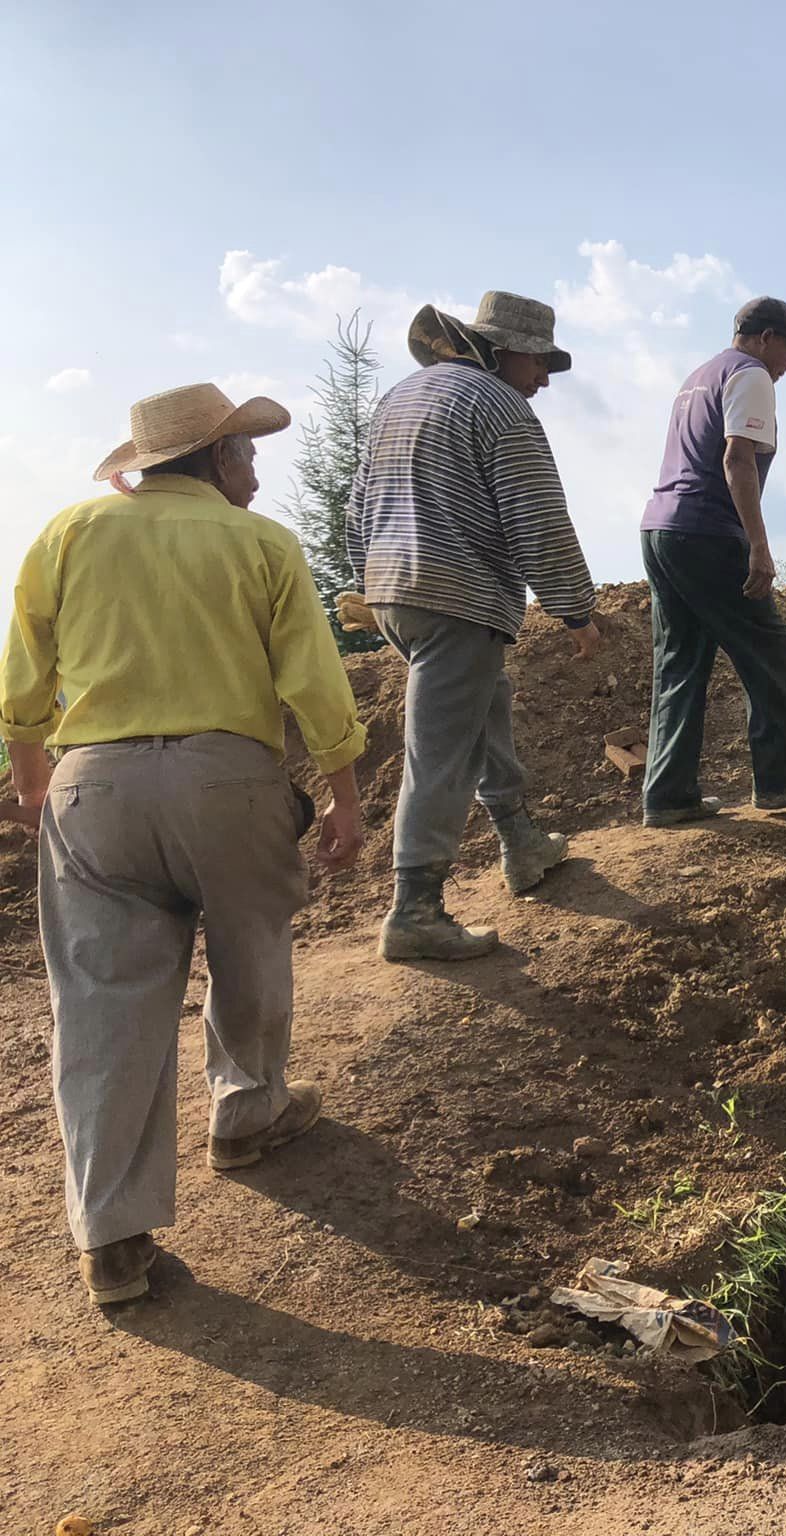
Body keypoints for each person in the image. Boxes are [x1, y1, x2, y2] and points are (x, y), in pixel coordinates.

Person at [1, 383, 368, 1306]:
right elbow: (315, 687)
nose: (255, 469)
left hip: (96, 786)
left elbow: (21, 678)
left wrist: (36, 778)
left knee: (101, 1001)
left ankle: (113, 1238)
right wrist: (345, 799)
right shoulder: (261, 544)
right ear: (212, 459)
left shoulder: (68, 533)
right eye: (245, 453)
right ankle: (246, 1113)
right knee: (251, 944)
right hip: (226, 777)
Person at [348, 291, 603, 962]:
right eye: (540, 363)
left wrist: (373, 582)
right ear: (505, 351)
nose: (544, 379)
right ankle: (414, 911)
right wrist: (575, 608)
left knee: (485, 705)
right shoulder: (498, 406)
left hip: (397, 592)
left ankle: (520, 842)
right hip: (457, 596)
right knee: (440, 752)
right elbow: (537, 516)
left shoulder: (401, 398)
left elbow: (359, 500)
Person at [637, 296, 786, 822]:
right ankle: (781, 781)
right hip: (707, 533)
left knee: (679, 662)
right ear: (766, 337)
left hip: (661, 529)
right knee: (769, 651)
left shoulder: (699, 376)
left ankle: (668, 796)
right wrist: (759, 545)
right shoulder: (751, 375)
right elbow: (736, 458)